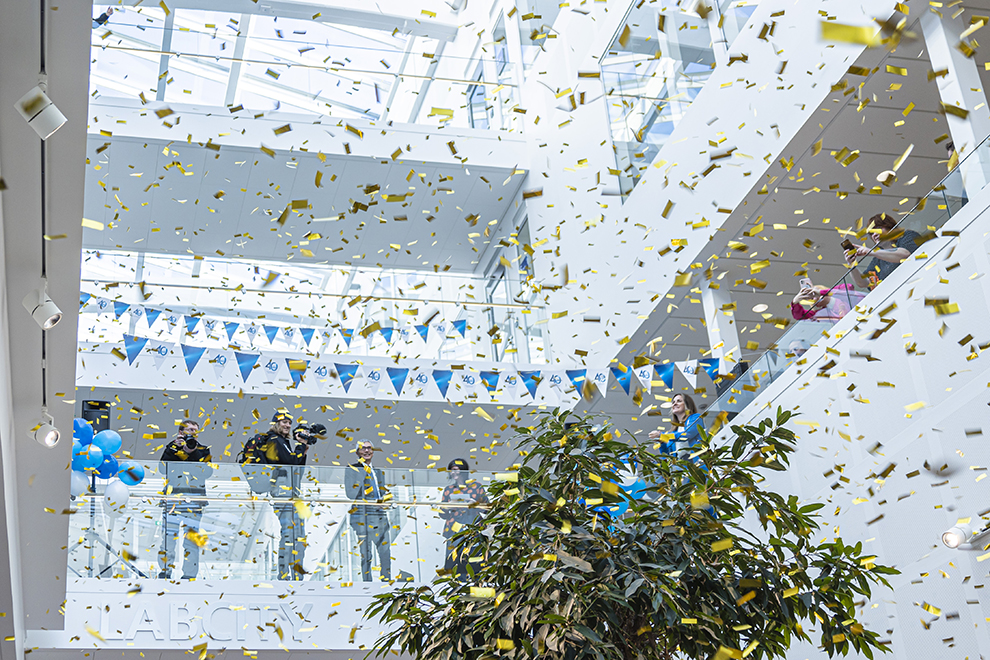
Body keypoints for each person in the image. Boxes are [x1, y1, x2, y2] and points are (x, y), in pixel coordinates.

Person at [240, 410, 319, 580]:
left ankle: (295, 573)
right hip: (283, 494)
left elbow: (298, 468)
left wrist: (303, 446)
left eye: (289, 423)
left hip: (292, 494)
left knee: (298, 535)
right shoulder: (274, 440)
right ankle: (284, 573)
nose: (288, 425)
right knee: (290, 535)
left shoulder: (283, 441)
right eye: (284, 422)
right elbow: (289, 462)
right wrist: (299, 444)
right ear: (275, 423)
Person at [158, 419, 212, 580]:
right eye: (189, 430)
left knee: (191, 540)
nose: (193, 433)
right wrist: (175, 448)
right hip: (172, 499)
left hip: (195, 500)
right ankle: (165, 571)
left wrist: (192, 451)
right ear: (181, 432)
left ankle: (189, 574)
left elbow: (207, 473)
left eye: (195, 430)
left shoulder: (203, 450)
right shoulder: (172, 447)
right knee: (168, 538)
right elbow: (162, 468)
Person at [345, 439, 391, 582]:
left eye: (369, 448)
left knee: (385, 553)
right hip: (362, 517)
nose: (367, 451)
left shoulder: (378, 472)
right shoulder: (352, 469)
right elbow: (350, 494)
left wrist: (386, 499)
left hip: (379, 516)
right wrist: (362, 471)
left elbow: (381, 492)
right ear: (357, 452)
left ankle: (386, 582)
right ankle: (367, 583)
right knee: (366, 553)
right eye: (363, 448)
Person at [438, 458, 489, 577]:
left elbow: (487, 509)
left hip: (474, 527)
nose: (453, 473)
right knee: (454, 562)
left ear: (463, 471)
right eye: (451, 470)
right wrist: (448, 506)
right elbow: (442, 514)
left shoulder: (477, 487)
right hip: (454, 529)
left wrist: (474, 503)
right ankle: (455, 586)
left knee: (476, 559)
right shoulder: (449, 490)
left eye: (455, 470)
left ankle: (477, 584)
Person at [843, 213, 920, 290]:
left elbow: (905, 254)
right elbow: (863, 283)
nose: (875, 234)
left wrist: (872, 252)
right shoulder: (877, 260)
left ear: (889, 227)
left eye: (878, 229)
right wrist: (851, 264)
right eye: (872, 233)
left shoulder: (907, 236)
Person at [648, 393, 705, 461]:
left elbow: (687, 434)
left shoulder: (695, 417)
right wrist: (662, 442)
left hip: (697, 460)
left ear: (687, 404)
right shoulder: (675, 431)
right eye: (673, 402)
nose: (675, 404)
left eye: (679, 401)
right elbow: (668, 455)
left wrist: (662, 435)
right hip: (681, 465)